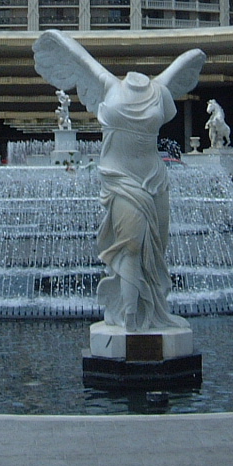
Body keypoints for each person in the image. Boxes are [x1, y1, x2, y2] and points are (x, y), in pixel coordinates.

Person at [34, 28, 206, 331]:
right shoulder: (108, 86)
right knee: (131, 246)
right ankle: (129, 319)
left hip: (155, 179)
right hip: (121, 179)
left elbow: (193, 61)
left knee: (156, 250)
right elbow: (61, 46)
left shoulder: (160, 91)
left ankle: (153, 311)